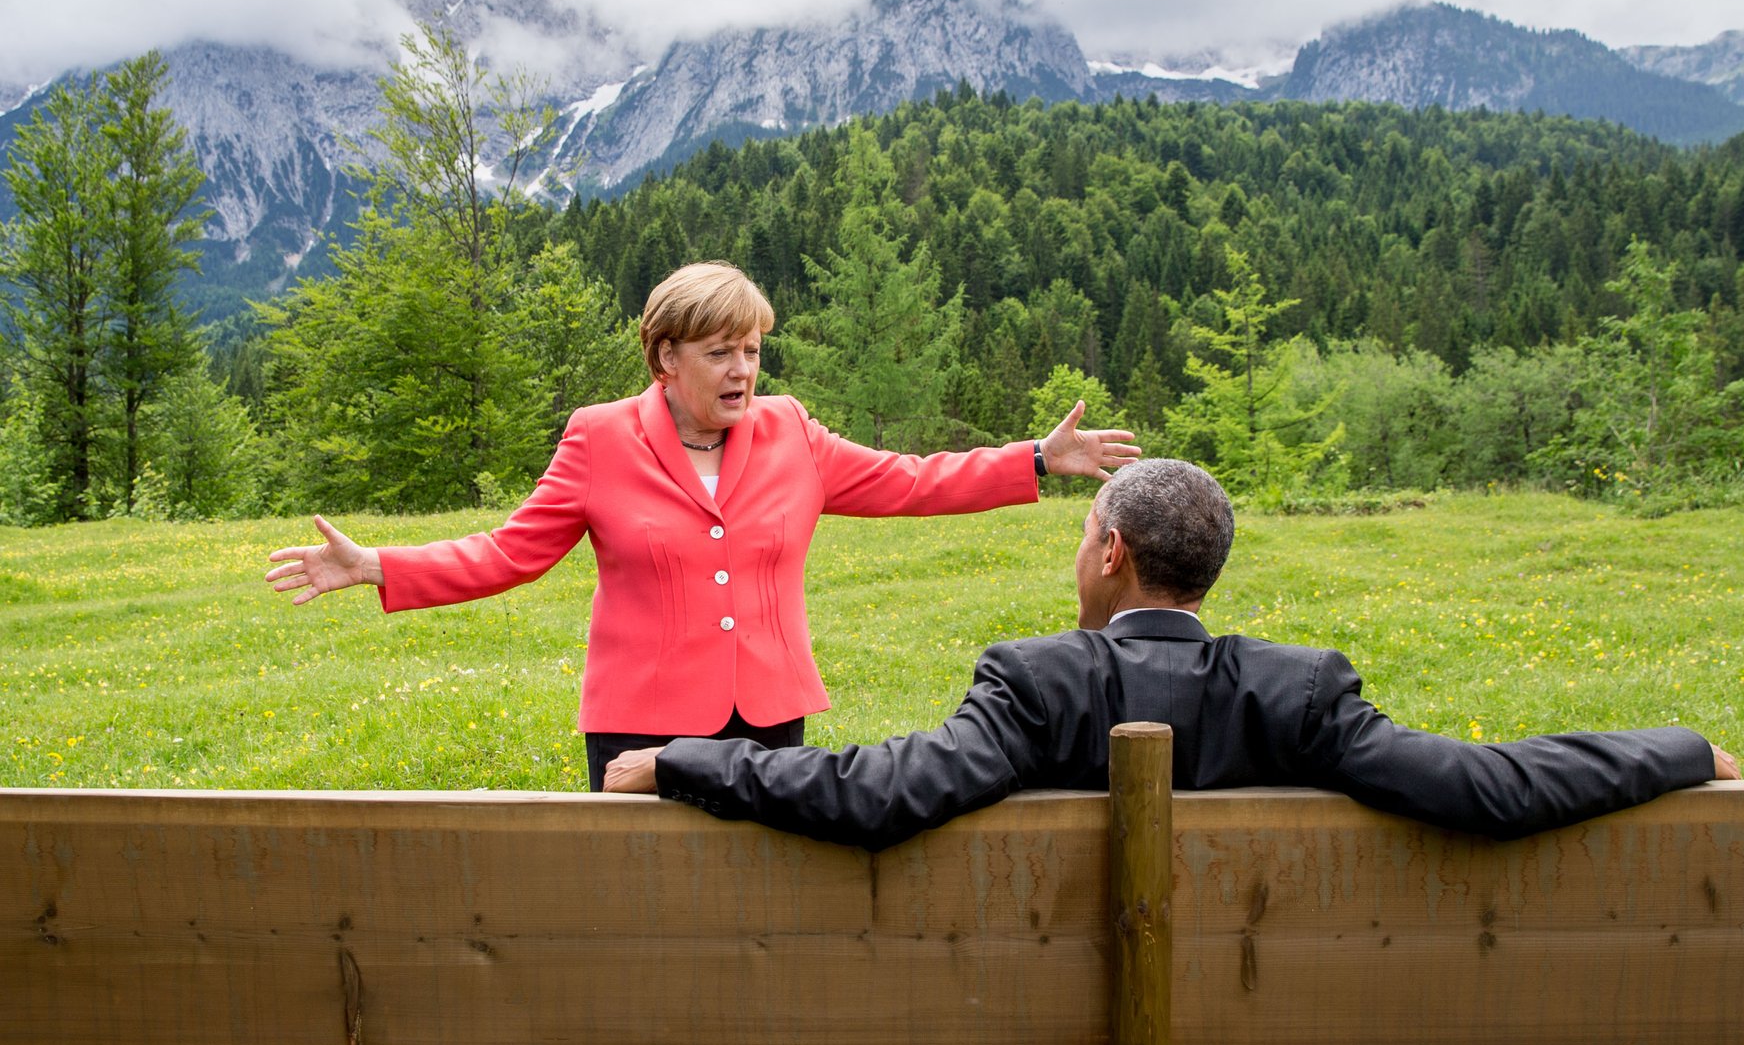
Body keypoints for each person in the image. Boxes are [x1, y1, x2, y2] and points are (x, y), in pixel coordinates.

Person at [264, 261, 1138, 789]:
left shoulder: (792, 430)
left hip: (767, 716)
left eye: (753, 350)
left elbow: (908, 481)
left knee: (759, 904)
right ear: (665, 357)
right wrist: (378, 564)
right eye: (721, 352)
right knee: (642, 913)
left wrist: (1032, 459)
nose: (743, 370)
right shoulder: (598, 438)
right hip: (639, 720)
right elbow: (509, 552)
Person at [604, 459, 1740, 850]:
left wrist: (687, 761)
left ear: (1107, 552)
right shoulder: (1297, 692)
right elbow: (1487, 787)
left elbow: (882, 793)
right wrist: (1677, 748)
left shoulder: (1034, 682)